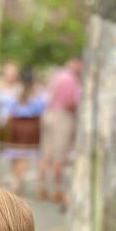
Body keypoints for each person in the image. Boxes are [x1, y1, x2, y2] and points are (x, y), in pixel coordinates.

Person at [38, 57, 82, 207]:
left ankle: (42, 187)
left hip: (48, 114)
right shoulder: (70, 79)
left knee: (46, 153)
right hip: (62, 116)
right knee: (59, 155)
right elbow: (70, 102)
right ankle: (57, 189)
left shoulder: (57, 75)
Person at [4, 68, 46, 194]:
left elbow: (9, 106)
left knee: (17, 155)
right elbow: (40, 108)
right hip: (30, 125)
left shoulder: (16, 90)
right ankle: (18, 180)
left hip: (17, 125)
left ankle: (17, 180)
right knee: (23, 156)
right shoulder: (36, 93)